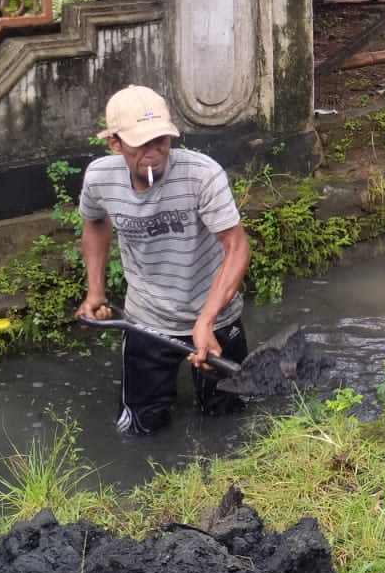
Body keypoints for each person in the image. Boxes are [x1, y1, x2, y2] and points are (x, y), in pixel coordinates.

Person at [75, 84, 252, 431]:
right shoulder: (100, 178)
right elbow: (94, 222)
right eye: (142, 144)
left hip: (215, 318)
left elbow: (236, 247)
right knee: (141, 427)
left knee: (227, 422)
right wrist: (94, 292)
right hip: (148, 318)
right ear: (115, 143)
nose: (154, 153)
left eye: (162, 141)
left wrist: (205, 320)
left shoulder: (202, 175)